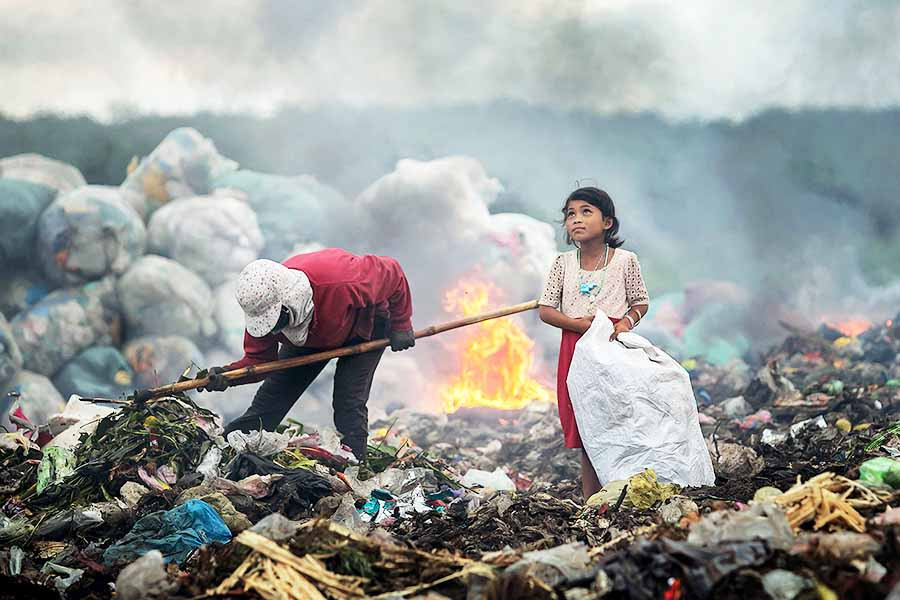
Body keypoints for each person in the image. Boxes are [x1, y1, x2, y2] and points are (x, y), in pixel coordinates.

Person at [200, 248, 415, 460]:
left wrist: (401, 324)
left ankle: (354, 461)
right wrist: (227, 376)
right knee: (273, 396)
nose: (273, 330)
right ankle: (230, 446)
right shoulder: (263, 311)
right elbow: (259, 362)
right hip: (312, 335)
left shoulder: (340, 281)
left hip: (365, 327)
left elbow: (393, 273)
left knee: (348, 400)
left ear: (288, 302)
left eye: (275, 322)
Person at [538, 186, 650, 500]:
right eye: (570, 214)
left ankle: (624, 491)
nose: (576, 219)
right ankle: (593, 500)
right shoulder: (563, 263)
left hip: (613, 347)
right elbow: (546, 310)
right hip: (576, 350)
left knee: (617, 418)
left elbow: (640, 302)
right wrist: (576, 325)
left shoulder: (625, 261)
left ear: (608, 223)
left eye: (586, 211)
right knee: (588, 426)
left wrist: (626, 323)